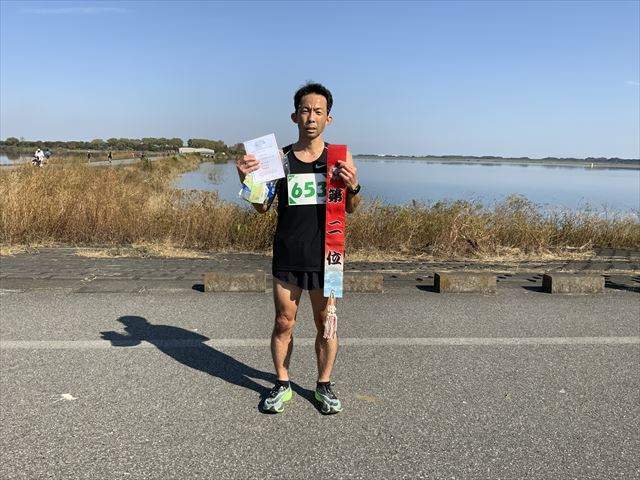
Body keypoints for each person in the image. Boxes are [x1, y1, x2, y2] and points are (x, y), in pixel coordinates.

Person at [236, 82, 362, 414]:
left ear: (328, 119)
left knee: (326, 324)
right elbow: (262, 206)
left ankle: (323, 385)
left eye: (318, 111)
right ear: (294, 116)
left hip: (327, 256)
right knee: (283, 321)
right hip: (288, 254)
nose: (311, 117)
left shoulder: (339, 157)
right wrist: (246, 179)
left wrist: (353, 186)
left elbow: (351, 208)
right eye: (305, 110)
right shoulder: (279, 159)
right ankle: (282, 383)